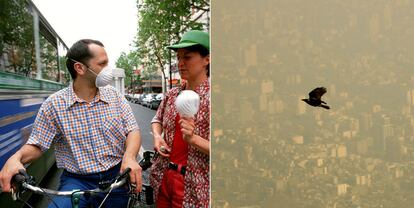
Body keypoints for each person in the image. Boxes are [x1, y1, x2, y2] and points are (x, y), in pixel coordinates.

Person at [0, 39, 142, 207]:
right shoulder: (54, 104)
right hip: (76, 181)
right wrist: (16, 158)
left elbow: (132, 130)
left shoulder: (115, 96)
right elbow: (38, 144)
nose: (108, 70)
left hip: (116, 176)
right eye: (102, 64)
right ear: (79, 68)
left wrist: (130, 158)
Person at [150, 30, 210, 208]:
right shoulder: (173, 94)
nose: (180, 63)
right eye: (178, 58)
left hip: (196, 184)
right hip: (164, 176)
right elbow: (157, 119)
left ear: (207, 59)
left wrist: (193, 139)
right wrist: (157, 136)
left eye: (188, 57)